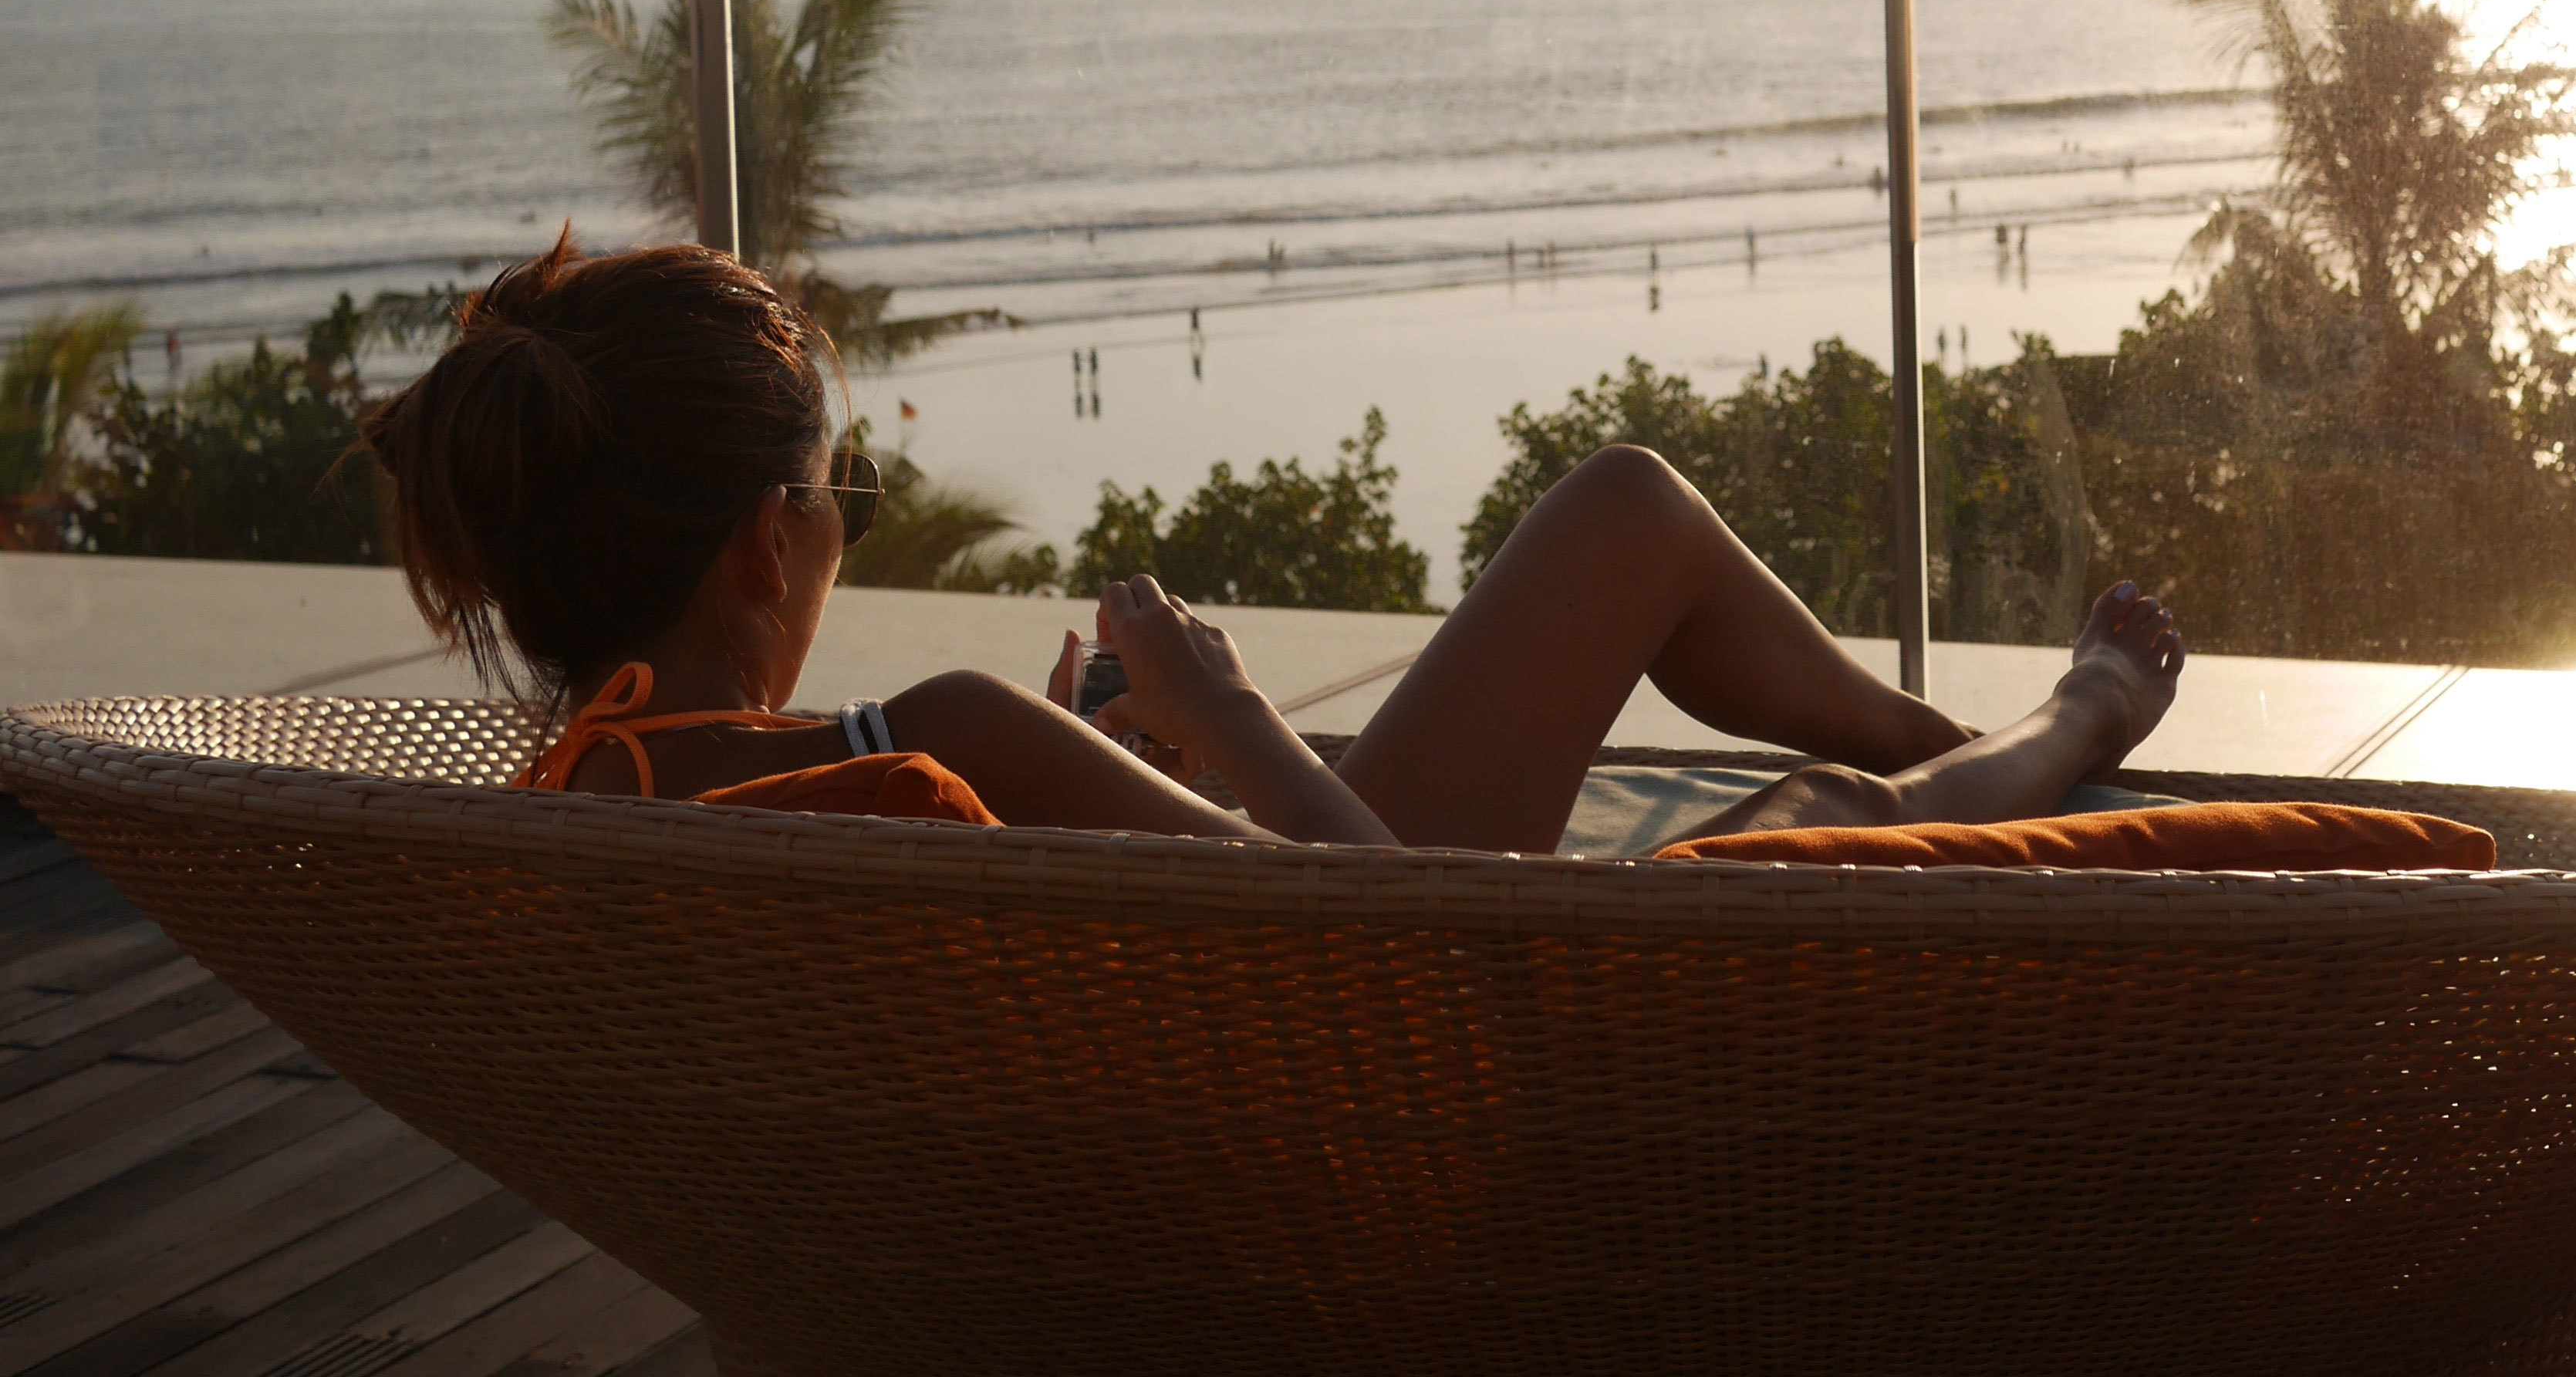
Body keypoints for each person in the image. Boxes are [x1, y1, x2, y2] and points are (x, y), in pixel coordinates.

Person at [362, 234, 2185, 853]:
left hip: (1167, 1104)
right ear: (768, 550)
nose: (842, 526)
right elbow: (1376, 948)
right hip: (1376, 1105)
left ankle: (1966, 740)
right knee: (1797, 822)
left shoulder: (581, 808)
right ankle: (2074, 726)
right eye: (838, 491)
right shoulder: (938, 731)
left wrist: (1120, 775)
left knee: (1629, 513)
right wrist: (1226, 716)